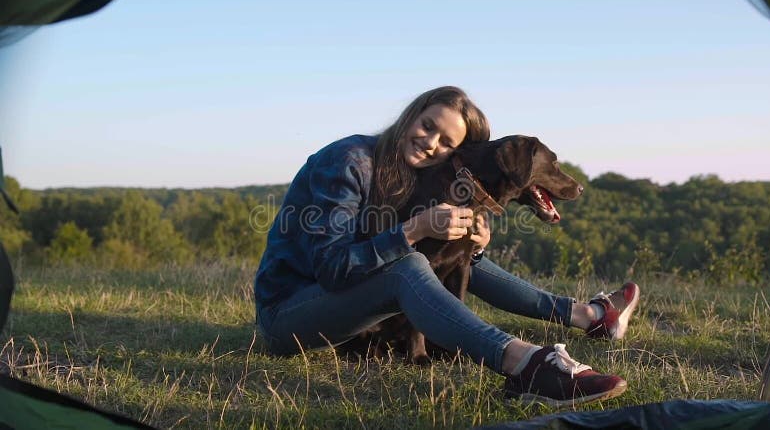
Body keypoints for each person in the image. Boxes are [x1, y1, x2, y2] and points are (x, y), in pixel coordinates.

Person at [254, 86, 640, 406]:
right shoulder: (348, 162)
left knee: (455, 250)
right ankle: (525, 364)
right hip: (289, 316)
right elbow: (333, 268)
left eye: (445, 143)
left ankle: (588, 316)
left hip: (345, 311)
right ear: (411, 115)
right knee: (408, 262)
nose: (430, 143)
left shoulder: (411, 174)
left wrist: (472, 247)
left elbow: (415, 254)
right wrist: (413, 229)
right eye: (427, 126)